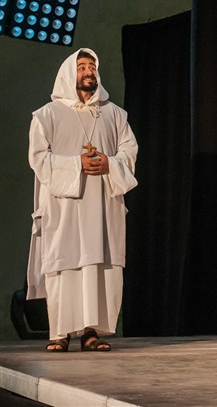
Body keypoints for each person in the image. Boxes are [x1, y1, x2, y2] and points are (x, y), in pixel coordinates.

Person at [26, 48, 138, 352]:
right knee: (65, 265)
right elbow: (38, 158)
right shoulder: (47, 114)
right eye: (82, 67)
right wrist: (77, 164)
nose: (89, 72)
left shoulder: (115, 114)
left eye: (92, 67)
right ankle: (60, 333)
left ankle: (91, 332)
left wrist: (110, 163)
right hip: (64, 205)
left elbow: (129, 150)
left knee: (98, 265)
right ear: (69, 73)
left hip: (102, 204)